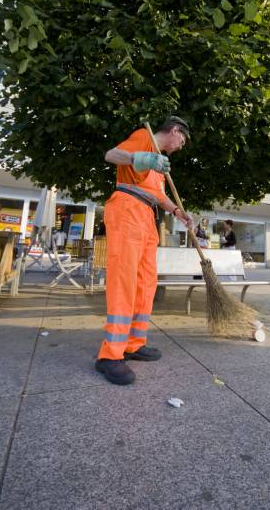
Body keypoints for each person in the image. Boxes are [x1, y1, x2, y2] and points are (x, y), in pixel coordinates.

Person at [95, 116, 193, 385]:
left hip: (146, 217)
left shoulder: (160, 165)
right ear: (173, 131)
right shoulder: (144, 137)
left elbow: (158, 196)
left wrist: (177, 211)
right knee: (124, 282)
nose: (181, 146)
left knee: (145, 284)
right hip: (127, 209)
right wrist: (145, 158)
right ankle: (110, 355)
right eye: (182, 140)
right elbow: (111, 155)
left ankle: (133, 344)